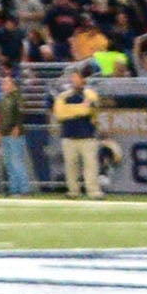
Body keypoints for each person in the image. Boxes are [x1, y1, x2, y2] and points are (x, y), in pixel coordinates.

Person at [50, 65, 103, 197]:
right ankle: (73, 190)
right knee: (70, 166)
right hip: (69, 135)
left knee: (90, 166)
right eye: (72, 77)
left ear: (82, 79)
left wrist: (70, 109)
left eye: (76, 77)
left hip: (87, 135)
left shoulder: (90, 94)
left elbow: (90, 110)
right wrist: (80, 109)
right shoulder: (63, 95)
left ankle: (93, 191)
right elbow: (60, 113)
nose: (73, 80)